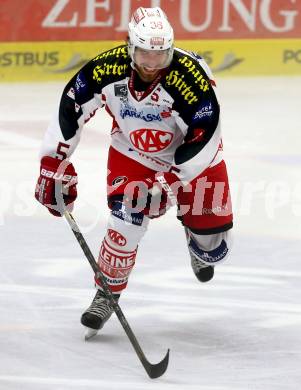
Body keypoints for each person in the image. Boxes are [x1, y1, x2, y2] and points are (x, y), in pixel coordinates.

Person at [35, 7, 233, 336]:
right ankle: (107, 292)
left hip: (192, 160)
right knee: (125, 221)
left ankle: (193, 233)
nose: (152, 65)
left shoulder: (190, 77)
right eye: (144, 54)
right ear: (130, 46)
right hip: (135, 153)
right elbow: (71, 108)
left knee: (211, 248)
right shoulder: (106, 68)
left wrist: (170, 182)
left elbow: (206, 134)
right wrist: (53, 164)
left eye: (161, 55)